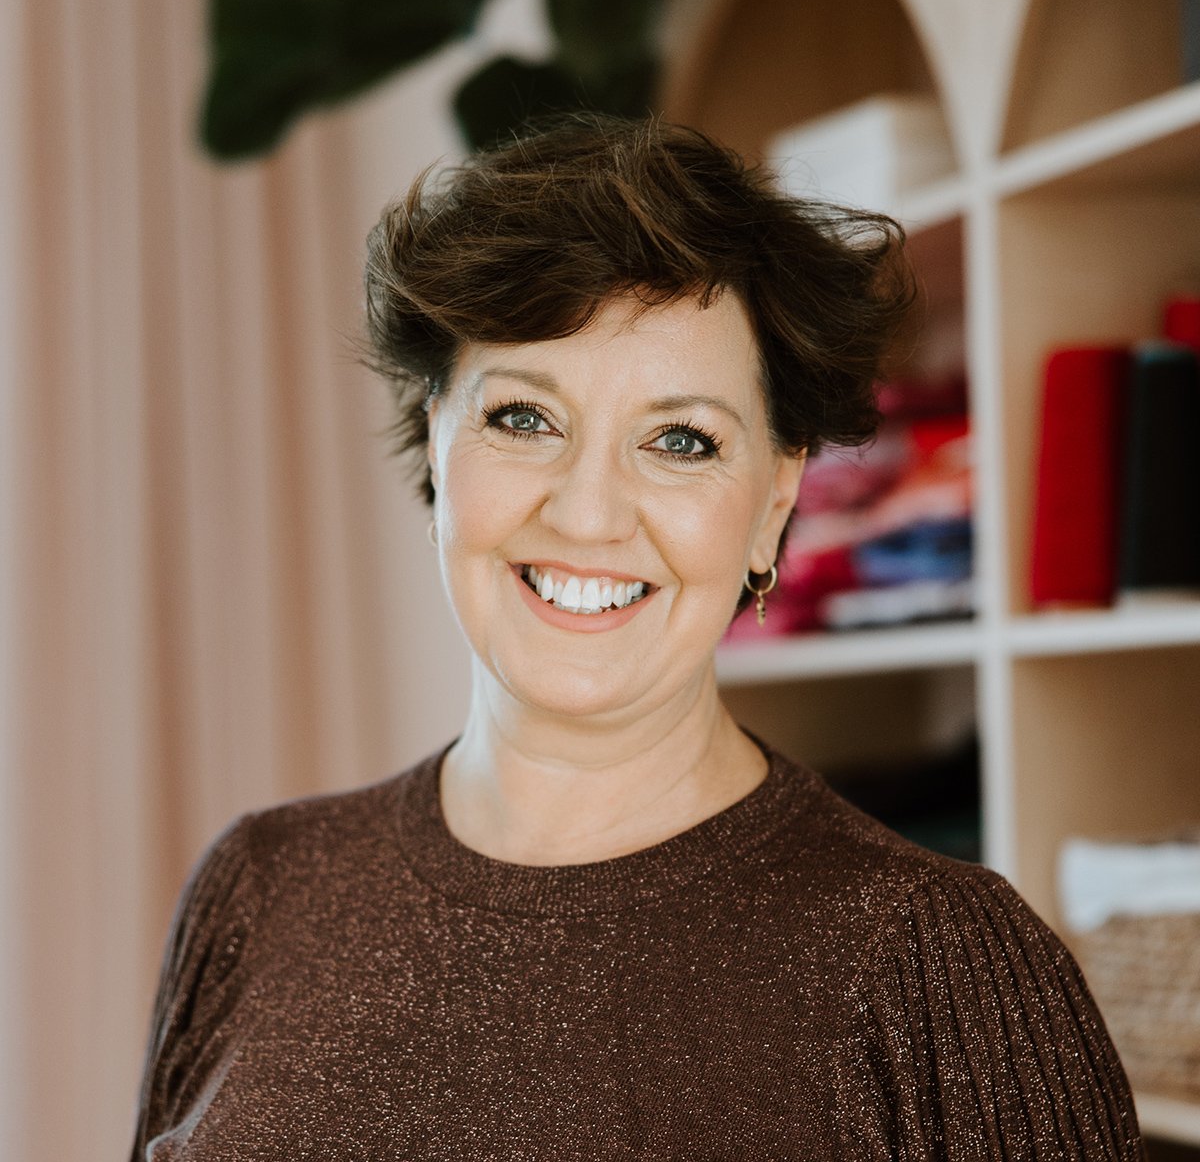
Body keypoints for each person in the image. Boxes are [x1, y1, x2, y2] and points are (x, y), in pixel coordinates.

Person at [130, 115, 1145, 1160]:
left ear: (772, 500)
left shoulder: (939, 965)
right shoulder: (259, 888)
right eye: (524, 418)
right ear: (436, 433)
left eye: (679, 440)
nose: (586, 515)